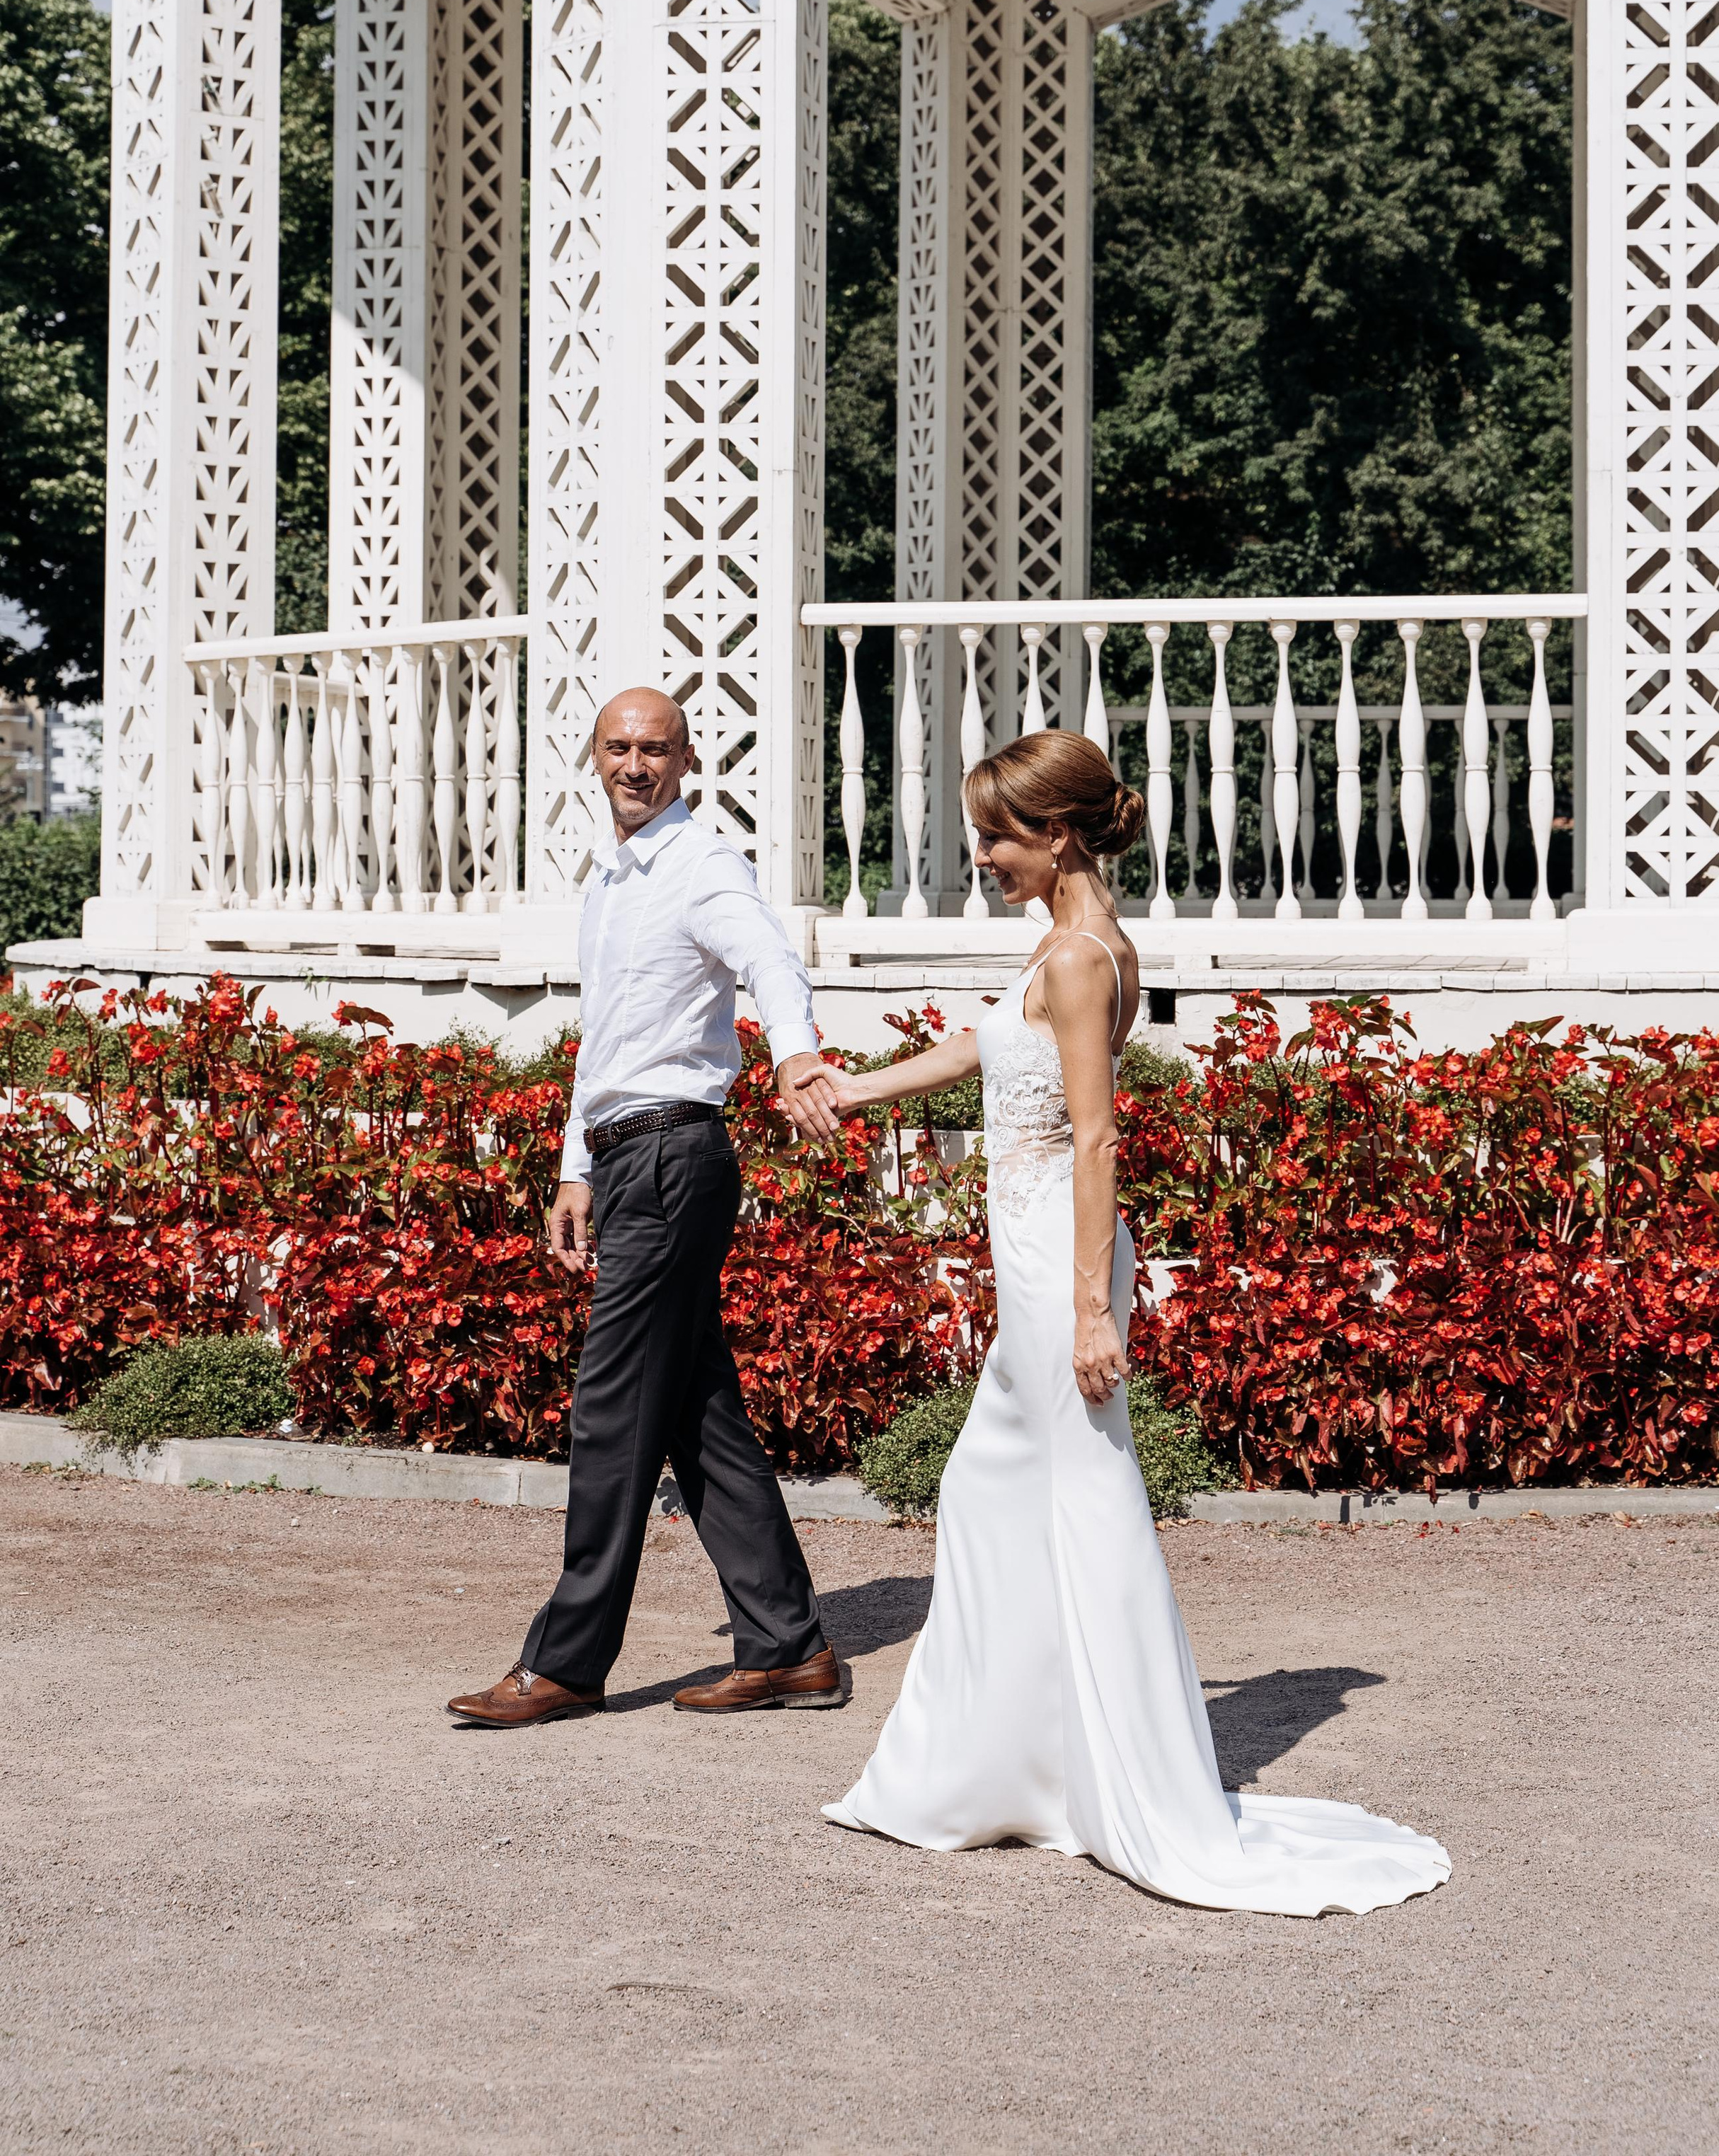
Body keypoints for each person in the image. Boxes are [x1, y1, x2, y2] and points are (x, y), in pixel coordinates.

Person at [793, 729, 1450, 1916]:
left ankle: (1088, 1786)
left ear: (1055, 836)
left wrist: (1092, 1310)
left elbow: (1097, 1136)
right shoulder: (1061, 947)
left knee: (1073, 1511)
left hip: (1061, 1268)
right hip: (1044, 1260)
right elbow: (985, 1050)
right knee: (1007, 1504)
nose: (981, 856)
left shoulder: (1083, 957)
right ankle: (1023, 1776)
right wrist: (856, 1086)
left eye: (996, 836)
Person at [448, 688, 847, 1726]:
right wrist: (577, 1165)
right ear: (596, 755)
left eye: (656, 749)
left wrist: (796, 1049)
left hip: (676, 1155)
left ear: (686, 760)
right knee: (693, 1414)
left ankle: (569, 1662)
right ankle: (790, 1648)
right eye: (621, 747)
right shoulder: (610, 885)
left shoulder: (701, 864)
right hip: (627, 1158)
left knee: (613, 1409)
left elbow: (768, 958)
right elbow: (606, 1042)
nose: (637, 764)